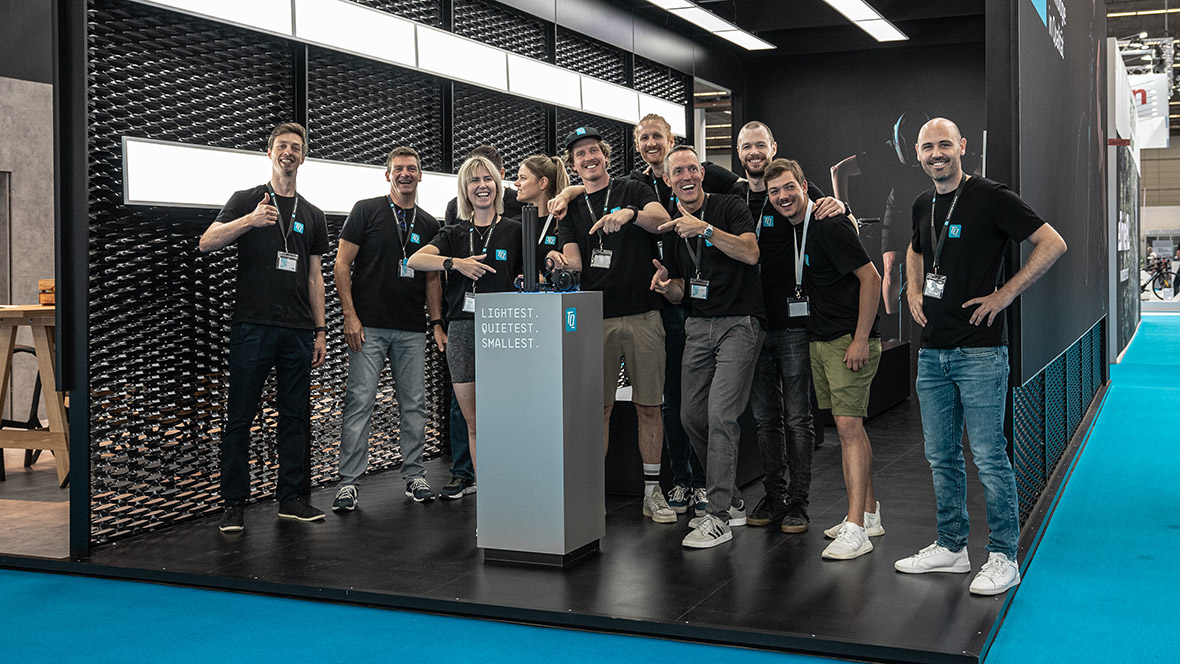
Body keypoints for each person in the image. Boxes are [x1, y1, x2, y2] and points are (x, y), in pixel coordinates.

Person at [895, 118, 1066, 594]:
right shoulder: (922, 203)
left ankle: (1004, 555)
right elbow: (914, 249)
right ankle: (951, 547)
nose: (936, 154)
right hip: (933, 354)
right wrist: (912, 288)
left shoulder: (991, 196)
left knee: (990, 457)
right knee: (940, 455)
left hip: (980, 352)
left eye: (944, 144)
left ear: (962, 146)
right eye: (928, 147)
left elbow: (1052, 242)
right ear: (918, 152)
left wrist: (1005, 294)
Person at [198, 122, 328, 532]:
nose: (289, 152)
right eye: (282, 146)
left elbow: (314, 277)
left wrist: (321, 329)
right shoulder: (246, 200)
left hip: (297, 329)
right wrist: (250, 222)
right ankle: (233, 503)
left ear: (304, 157)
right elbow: (207, 241)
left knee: (296, 416)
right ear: (269, 153)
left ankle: (292, 498)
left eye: (296, 147)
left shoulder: (313, 214)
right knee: (240, 416)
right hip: (252, 325)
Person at [550, 126, 675, 525]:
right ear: (573, 165)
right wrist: (555, 263)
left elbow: (662, 220)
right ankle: (591, 493)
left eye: (594, 151)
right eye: (580, 155)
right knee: (598, 410)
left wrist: (630, 214)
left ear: (605, 156)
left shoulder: (632, 188)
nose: (589, 158)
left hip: (643, 313)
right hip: (595, 319)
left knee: (649, 407)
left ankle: (653, 493)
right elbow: (576, 262)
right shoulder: (570, 209)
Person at [765, 158, 883, 560]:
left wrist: (862, 338)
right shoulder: (799, 228)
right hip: (821, 339)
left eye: (788, 188)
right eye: (774, 191)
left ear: (804, 186)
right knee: (849, 428)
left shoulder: (828, 224)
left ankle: (854, 528)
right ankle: (868, 514)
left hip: (847, 340)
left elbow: (872, 278)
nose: (782, 197)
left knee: (848, 428)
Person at [732, 122, 845, 534]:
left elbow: (831, 212)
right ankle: (774, 494)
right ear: (740, 152)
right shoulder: (735, 195)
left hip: (795, 325)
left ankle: (799, 501)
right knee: (765, 420)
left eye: (760, 145)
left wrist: (842, 206)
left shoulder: (797, 188)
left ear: (773, 147)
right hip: (754, 325)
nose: (754, 152)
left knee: (798, 418)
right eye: (747, 147)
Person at [651, 146, 764, 548]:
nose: (686, 176)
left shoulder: (730, 206)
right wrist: (667, 286)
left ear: (702, 172)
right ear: (667, 180)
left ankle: (715, 515)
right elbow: (683, 289)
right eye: (677, 171)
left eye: (692, 168)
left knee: (720, 415)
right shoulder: (670, 226)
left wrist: (705, 230)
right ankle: (731, 499)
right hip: (698, 326)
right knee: (690, 417)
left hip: (739, 323)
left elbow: (750, 253)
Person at [332, 146, 444, 510]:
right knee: (359, 402)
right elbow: (341, 265)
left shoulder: (429, 224)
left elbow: (431, 282)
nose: (405, 174)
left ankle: (414, 475)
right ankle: (348, 482)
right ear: (388, 175)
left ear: (421, 175)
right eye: (399, 169)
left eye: (412, 168)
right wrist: (350, 315)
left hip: (411, 329)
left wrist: (436, 322)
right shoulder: (366, 210)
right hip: (369, 328)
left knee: (414, 405)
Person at [407, 156, 524, 475]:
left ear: (497, 185)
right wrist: (455, 263)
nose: (482, 186)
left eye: (487, 179)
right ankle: (488, 496)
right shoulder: (454, 233)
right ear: (465, 189)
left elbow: (533, 275)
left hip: (505, 330)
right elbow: (415, 261)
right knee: (474, 423)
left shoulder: (515, 230)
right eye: (474, 181)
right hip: (462, 333)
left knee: (506, 418)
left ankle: (512, 487)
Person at [513, 154, 570, 276]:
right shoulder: (515, 224)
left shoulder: (562, 221)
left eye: (523, 178)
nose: (516, 183)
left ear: (542, 183)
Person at [444, 145, 524, 224]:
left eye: (488, 178)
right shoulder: (454, 208)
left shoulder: (522, 205)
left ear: (501, 174)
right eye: (474, 179)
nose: (482, 185)